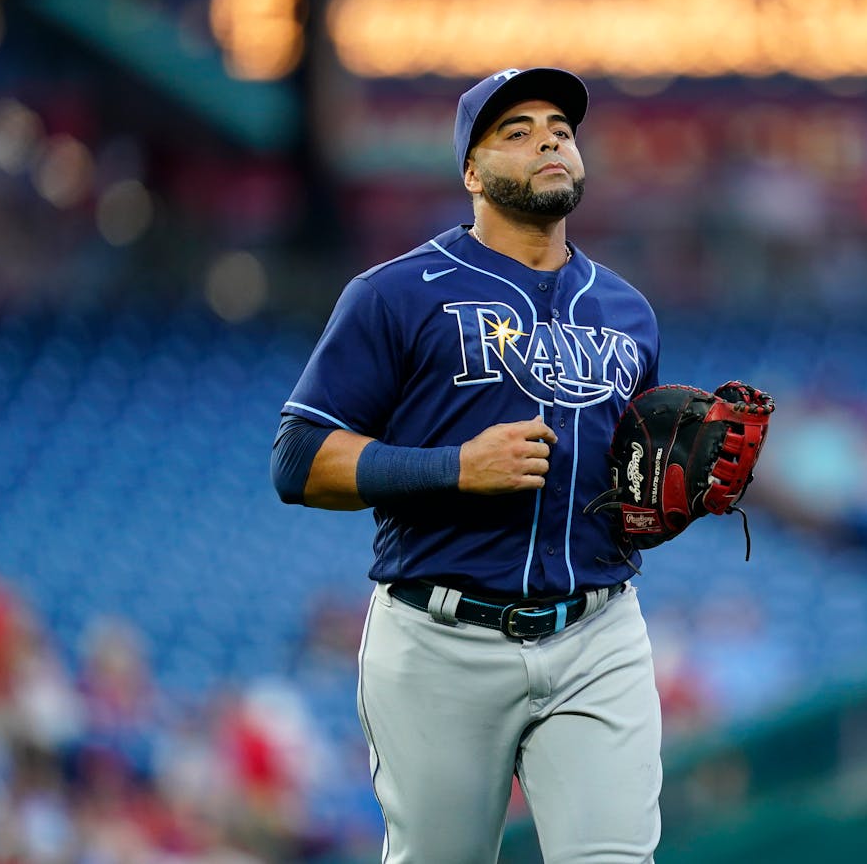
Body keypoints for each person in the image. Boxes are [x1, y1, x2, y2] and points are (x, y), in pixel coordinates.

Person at [270, 68, 663, 863]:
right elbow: (298, 459)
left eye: (559, 126)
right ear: (471, 174)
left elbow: (626, 498)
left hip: (597, 632)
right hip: (442, 636)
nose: (548, 137)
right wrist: (453, 467)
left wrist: (666, 504)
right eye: (515, 131)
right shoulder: (397, 293)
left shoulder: (627, 310)